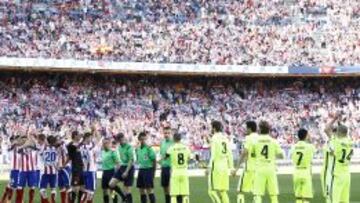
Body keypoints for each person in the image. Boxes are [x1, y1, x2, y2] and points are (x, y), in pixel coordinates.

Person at [252, 121, 284, 203]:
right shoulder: (273, 141)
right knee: (273, 194)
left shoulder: (255, 141)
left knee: (258, 194)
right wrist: (272, 155)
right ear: (269, 130)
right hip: (271, 168)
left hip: (259, 168)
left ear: (260, 129)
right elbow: (281, 156)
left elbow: (252, 154)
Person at [324, 113, 353, 203]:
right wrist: (339, 122)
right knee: (344, 201)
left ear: (338, 132)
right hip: (346, 175)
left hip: (337, 175)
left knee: (334, 200)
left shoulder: (335, 142)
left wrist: (335, 118)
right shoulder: (349, 142)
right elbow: (343, 130)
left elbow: (326, 129)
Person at [207, 120, 234, 203]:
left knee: (211, 191)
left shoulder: (214, 138)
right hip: (225, 166)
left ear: (214, 128)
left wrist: (209, 166)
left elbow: (213, 154)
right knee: (223, 191)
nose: (210, 129)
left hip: (216, 166)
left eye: (211, 127)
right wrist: (231, 167)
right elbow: (229, 153)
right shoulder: (225, 138)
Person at [235, 121, 258, 203]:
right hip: (258, 169)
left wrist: (236, 168)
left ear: (250, 128)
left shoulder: (249, 138)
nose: (245, 130)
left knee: (240, 191)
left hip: (249, 168)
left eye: (246, 128)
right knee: (256, 193)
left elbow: (244, 153)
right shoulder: (259, 138)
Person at [290, 129, 315, 203]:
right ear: (306, 136)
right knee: (306, 197)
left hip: (296, 171)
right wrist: (310, 139)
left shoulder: (293, 147)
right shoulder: (309, 146)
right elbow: (314, 149)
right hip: (305, 171)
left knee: (298, 197)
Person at [166, 132, 191, 203]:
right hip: (184, 171)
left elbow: (166, 156)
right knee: (185, 194)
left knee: (174, 194)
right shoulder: (186, 147)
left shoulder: (171, 148)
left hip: (175, 172)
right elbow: (190, 157)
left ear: (174, 139)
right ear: (180, 139)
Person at [109, 133, 134, 203]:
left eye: (121, 139)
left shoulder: (129, 147)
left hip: (128, 168)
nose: (120, 141)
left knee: (127, 190)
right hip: (120, 168)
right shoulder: (118, 147)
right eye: (119, 140)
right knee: (111, 185)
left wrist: (126, 171)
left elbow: (131, 160)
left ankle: (124, 199)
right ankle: (121, 198)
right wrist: (118, 168)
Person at [15, 135, 39, 203]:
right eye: (23, 140)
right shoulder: (19, 147)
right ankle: (19, 201)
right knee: (20, 186)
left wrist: (30, 143)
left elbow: (36, 148)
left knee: (32, 187)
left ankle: (31, 201)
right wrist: (25, 145)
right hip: (23, 171)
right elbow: (19, 151)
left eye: (25, 139)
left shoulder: (32, 147)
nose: (24, 141)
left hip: (32, 170)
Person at [79, 132, 101, 203]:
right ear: (87, 138)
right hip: (91, 170)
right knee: (91, 191)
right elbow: (96, 155)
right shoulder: (91, 147)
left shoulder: (81, 147)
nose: (91, 139)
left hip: (85, 170)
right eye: (90, 137)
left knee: (87, 190)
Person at [136, 132, 156, 203]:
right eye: (141, 139)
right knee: (141, 189)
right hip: (141, 170)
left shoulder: (149, 148)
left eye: (144, 139)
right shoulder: (138, 149)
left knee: (149, 189)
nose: (143, 141)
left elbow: (154, 160)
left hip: (148, 170)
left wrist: (153, 172)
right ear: (139, 140)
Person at [39, 135, 59, 203]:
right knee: (53, 188)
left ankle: (46, 201)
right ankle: (53, 201)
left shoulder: (44, 147)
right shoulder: (56, 148)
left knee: (42, 189)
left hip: (45, 172)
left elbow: (40, 154)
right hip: (54, 171)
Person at [1, 136, 21, 203]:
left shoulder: (19, 148)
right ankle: (8, 200)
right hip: (15, 170)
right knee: (13, 186)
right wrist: (14, 143)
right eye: (16, 140)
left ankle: (3, 199)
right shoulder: (11, 148)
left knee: (10, 185)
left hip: (18, 170)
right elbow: (10, 149)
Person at [101, 138, 121, 203]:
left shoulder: (113, 152)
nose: (105, 144)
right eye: (104, 143)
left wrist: (116, 174)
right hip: (104, 172)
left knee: (112, 191)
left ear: (109, 144)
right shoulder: (102, 152)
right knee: (104, 190)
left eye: (106, 143)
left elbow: (118, 163)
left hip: (111, 172)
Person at [67, 131, 84, 203]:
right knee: (75, 187)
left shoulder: (78, 145)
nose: (79, 136)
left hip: (81, 168)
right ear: (74, 136)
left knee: (82, 187)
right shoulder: (70, 145)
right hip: (75, 168)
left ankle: (79, 201)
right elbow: (70, 155)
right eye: (78, 135)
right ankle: (72, 200)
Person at [160, 126, 174, 203]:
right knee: (165, 188)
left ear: (171, 133)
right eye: (165, 133)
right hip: (164, 167)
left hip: (171, 168)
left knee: (171, 188)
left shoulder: (173, 143)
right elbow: (162, 155)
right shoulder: (162, 143)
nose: (167, 134)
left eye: (168, 133)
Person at [57, 139, 72, 203]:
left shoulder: (64, 147)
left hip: (65, 168)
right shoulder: (56, 147)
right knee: (61, 186)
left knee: (67, 185)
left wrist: (64, 165)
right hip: (59, 168)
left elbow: (69, 156)